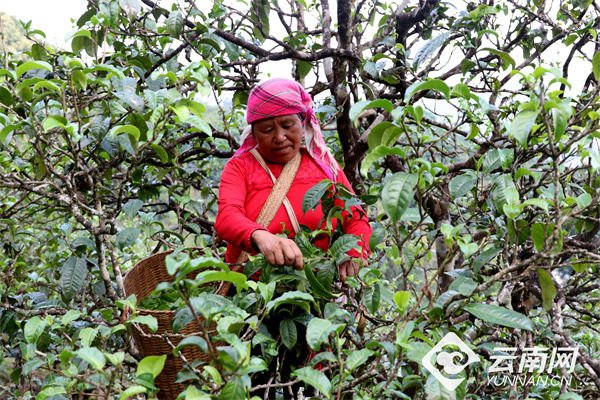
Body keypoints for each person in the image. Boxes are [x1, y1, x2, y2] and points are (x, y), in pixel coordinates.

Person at [214, 77, 372, 396]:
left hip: (315, 302)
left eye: (288, 125)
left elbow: (356, 218)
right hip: (253, 302)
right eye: (266, 130)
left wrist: (355, 252)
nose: (280, 137)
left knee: (311, 385)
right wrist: (260, 236)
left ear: (303, 122)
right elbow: (227, 217)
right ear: (253, 132)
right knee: (253, 384)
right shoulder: (240, 168)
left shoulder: (323, 167)